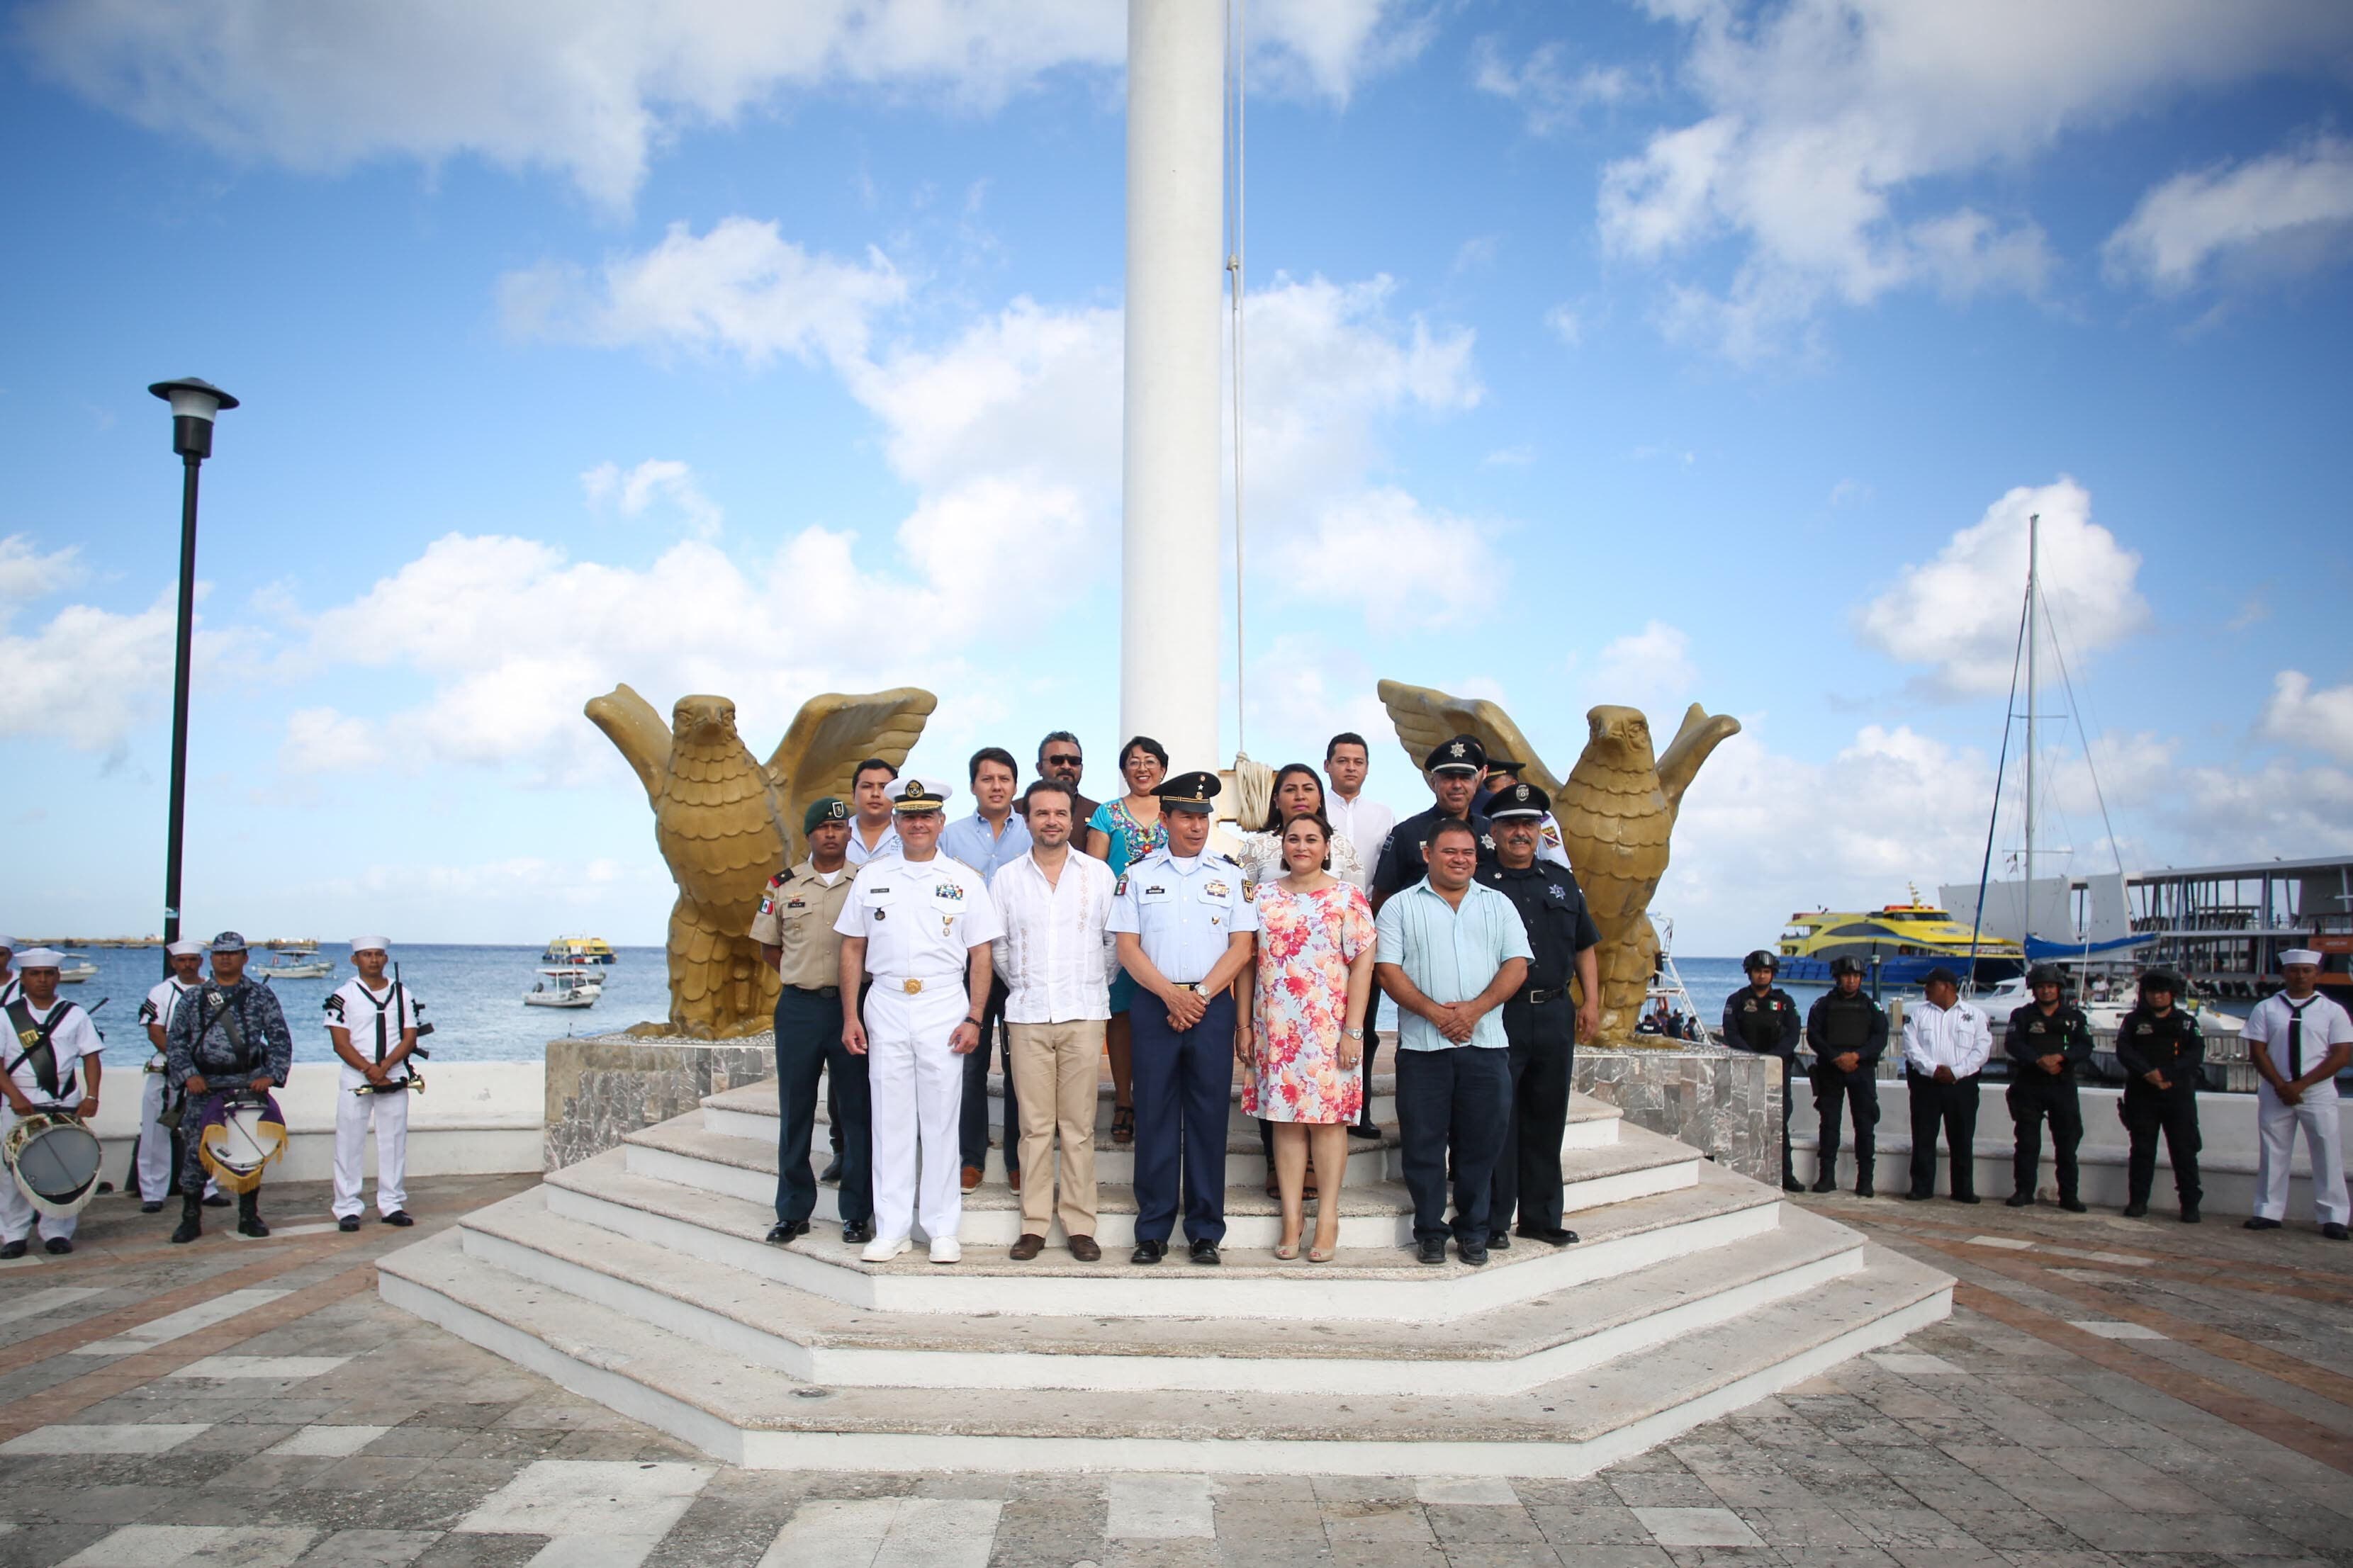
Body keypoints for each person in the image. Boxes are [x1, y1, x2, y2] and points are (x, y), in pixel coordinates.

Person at [837, 778, 1001, 1264]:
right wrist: (850, 1013)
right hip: (885, 1001)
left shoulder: (965, 879)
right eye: (908, 816)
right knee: (890, 1119)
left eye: (927, 815)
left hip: (943, 1002)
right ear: (896, 821)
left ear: (940, 822)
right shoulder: (871, 877)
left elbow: (981, 954)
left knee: (941, 1119)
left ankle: (942, 1226)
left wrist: (975, 1015)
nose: (918, 824)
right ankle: (891, 1228)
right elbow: (851, 946)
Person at [1110, 770, 1258, 1265]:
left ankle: (1204, 1230)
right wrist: (1173, 997)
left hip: (1210, 1006)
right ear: (1167, 819)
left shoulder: (1231, 874)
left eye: (1203, 817)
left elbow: (1243, 946)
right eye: (1187, 816)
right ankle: (1151, 1229)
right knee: (1153, 1115)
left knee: (1207, 1118)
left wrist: (1198, 995)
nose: (1196, 825)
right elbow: (1127, 948)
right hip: (1155, 1005)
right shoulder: (1139, 874)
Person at [1375, 818, 1531, 1266]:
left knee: (1482, 1143)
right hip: (1424, 1049)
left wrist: (1473, 1011)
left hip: (1486, 1045)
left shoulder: (1498, 905)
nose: (1460, 860)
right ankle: (1428, 1230)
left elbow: (1517, 965)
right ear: (1428, 854)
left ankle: (1473, 1230)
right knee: (1423, 1144)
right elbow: (1388, 971)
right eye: (1450, 852)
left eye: (1467, 853)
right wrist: (1438, 1015)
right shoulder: (1401, 907)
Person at [989, 779, 1117, 1262]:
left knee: (1079, 1126)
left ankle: (1081, 1224)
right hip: (1026, 1015)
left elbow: (1112, 945)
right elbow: (999, 947)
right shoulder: (1006, 878)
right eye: (1042, 813)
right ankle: (1036, 1224)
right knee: (1035, 1125)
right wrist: (1026, 983)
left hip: (1083, 1012)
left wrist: (1087, 985)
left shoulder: (1098, 875)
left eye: (1060, 813)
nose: (1052, 821)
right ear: (1028, 819)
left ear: (1072, 818)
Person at [1245, 813, 1376, 1261]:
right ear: (1282, 845)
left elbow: (1363, 963)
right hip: (1276, 1027)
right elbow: (1245, 963)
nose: (1302, 846)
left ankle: (1329, 1218)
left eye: (1311, 839)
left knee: (1327, 1122)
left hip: (1328, 1028)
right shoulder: (1261, 896)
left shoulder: (1347, 897)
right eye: (1293, 838)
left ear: (1327, 846)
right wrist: (1244, 1025)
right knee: (1284, 1121)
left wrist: (1353, 1030)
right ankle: (1292, 1217)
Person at [1477, 782, 1600, 1248]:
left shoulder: (1561, 881)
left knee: (1547, 1118)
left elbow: (1584, 943)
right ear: (1495, 829)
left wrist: (1590, 1001)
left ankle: (1541, 1218)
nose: (1521, 832)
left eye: (1529, 824)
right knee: (1498, 1119)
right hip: (1500, 1014)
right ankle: (1492, 1221)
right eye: (1511, 823)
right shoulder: (1480, 883)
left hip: (1553, 1012)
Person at [749, 797, 871, 1246]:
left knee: (857, 1112)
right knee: (796, 1110)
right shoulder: (783, 885)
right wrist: (802, 978)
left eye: (839, 827)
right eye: (822, 827)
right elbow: (769, 947)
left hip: (852, 1008)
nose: (832, 834)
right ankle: (793, 1211)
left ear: (849, 834)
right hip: (800, 1008)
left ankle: (856, 1213)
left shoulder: (868, 882)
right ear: (809, 835)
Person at [943, 746, 1033, 1194]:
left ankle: (1019, 1159)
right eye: (986, 779)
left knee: (1021, 1066)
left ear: (1015, 785)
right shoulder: (950, 836)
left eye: (1004, 779)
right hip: (966, 964)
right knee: (969, 1062)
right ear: (974, 785)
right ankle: (970, 1157)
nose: (996, 787)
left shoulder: (1034, 830)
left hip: (1020, 964)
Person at [164, 932, 293, 1243]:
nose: (226, 958)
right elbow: (176, 1041)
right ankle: (190, 1218)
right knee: (196, 1154)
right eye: (220, 953)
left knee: (250, 1151)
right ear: (211, 959)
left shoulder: (261, 996)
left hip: (248, 1085)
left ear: (244, 957)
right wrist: (187, 1075)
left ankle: (249, 1216)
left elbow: (279, 1039)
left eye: (233, 953)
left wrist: (271, 1076)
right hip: (204, 1088)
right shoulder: (194, 998)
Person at [1086, 735, 1171, 1151]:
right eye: (1133, 762)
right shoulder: (1106, 814)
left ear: (1163, 769)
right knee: (1119, 1015)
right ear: (1123, 770)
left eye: (1150, 761)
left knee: (1159, 1010)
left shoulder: (1175, 811)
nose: (1142, 768)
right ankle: (1124, 1099)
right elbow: (1094, 873)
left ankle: (1157, 1099)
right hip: (1119, 927)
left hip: (1168, 928)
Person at [1, 948, 105, 1257]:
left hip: (65, 1102)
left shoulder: (75, 1014)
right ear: (23, 977)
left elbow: (91, 1057)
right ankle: (14, 1233)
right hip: (19, 1103)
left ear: (58, 976)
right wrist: (15, 1096)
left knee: (65, 1168)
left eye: (49, 973)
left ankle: (56, 1232)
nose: (42, 980)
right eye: (35, 974)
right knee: (13, 1169)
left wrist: (92, 1095)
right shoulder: (7, 1016)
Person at [2242, 949, 2348, 1239]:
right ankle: (2268, 1211)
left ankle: (2334, 1216)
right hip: (2276, 1089)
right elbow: (2257, 1051)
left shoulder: (2332, 1011)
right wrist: (2281, 1084)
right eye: (2293, 970)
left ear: (2317, 974)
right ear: (2284, 973)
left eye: (2306, 970)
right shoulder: (2266, 1008)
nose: (2299, 976)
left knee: (2327, 1150)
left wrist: (2301, 1085)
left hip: (2318, 1091)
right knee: (2273, 1151)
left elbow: (2341, 1055)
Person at [324, 938, 423, 1231]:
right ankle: (346, 1207)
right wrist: (368, 1068)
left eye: (379, 955)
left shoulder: (401, 993)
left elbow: (409, 1036)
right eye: (367, 955)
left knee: (393, 1140)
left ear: (385, 958)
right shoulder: (343, 996)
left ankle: (392, 1203)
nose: (374, 960)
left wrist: (386, 1066)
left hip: (393, 1074)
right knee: (349, 1140)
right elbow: (340, 1042)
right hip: (358, 1076)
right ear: (355, 960)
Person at [1324, 735, 1395, 1142]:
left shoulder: (1383, 815)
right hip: (1316, 927)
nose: (1351, 767)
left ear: (1367, 767)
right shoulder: (1315, 809)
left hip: (1366, 924)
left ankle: (1359, 1109)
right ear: (1328, 764)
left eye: (1358, 761)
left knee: (1363, 1023)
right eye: (1343, 760)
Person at [2115, 966, 2204, 1222]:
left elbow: (2195, 1055)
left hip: (2178, 1096)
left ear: (2172, 994)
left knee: (2184, 1151)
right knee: (2142, 1151)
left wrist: (2166, 1075)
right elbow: (2124, 1051)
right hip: (2142, 1094)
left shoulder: (2187, 1023)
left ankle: (2189, 1204)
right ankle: (2138, 1201)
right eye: (2153, 992)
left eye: (2163, 992)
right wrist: (2148, 1074)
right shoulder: (2133, 1022)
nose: (2158, 997)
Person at [2003, 964, 2094, 1212]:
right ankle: (2023, 1191)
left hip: (2062, 1085)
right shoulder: (2021, 1016)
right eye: (2041, 987)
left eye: (2050, 987)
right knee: (2026, 1143)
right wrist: (2037, 1060)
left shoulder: (2075, 1018)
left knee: (2067, 1144)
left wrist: (2062, 1059)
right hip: (2029, 1084)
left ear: (2059, 989)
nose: (2046, 991)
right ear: (2034, 990)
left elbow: (2085, 1046)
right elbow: (2013, 1043)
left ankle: (2069, 1196)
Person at [1370, 735, 1498, 911]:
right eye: (1449, 778)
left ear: (1475, 783)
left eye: (1465, 778)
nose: (1457, 785)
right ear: (1433, 783)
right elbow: (1382, 900)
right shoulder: (1407, 833)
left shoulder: (1491, 831)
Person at [1900, 966, 1992, 1204]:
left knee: (1962, 1138)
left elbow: (1981, 1051)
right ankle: (1921, 1187)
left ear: (1947, 987)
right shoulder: (1918, 1014)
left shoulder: (1975, 1015)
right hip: (1926, 1084)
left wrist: (1956, 1072)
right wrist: (1933, 1070)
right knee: (1924, 1137)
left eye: (1930, 985)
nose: (1926, 989)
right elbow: (1911, 1047)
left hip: (1962, 1085)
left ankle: (1963, 1190)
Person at [135, 940, 208, 1212]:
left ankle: (208, 1187)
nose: (187, 964)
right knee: (156, 1131)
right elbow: (156, 1032)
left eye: (192, 959)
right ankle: (153, 1191)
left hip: (207, 1072)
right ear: (173, 963)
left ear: (200, 961)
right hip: (168, 1070)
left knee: (208, 1131)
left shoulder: (213, 989)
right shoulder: (161, 992)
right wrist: (184, 1063)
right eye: (182, 960)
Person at [1804, 957, 1887, 1197]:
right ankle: (1826, 1177)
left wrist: (1857, 1056)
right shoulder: (1823, 1005)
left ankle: (1865, 1180)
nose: (1851, 981)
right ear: (1838, 978)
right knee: (1829, 1125)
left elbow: (1880, 1038)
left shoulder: (1872, 1007)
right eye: (1847, 976)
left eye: (1856, 976)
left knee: (1865, 1125)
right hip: (1831, 1070)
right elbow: (1814, 1036)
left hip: (1861, 1071)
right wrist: (1836, 1057)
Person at [1724, 951, 1806, 1192]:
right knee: (1741, 1123)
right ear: (1750, 973)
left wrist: (1772, 1058)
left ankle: (1785, 1174)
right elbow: (1731, 1033)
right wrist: (1753, 1058)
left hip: (1777, 1071)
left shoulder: (1785, 1002)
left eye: (1767, 971)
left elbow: (1793, 1034)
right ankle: (1741, 1173)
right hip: (1746, 1069)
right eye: (1758, 971)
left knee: (1779, 1125)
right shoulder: (1737, 1000)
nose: (1762, 975)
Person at [1232, 763, 1365, 891]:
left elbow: (1355, 901)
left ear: (1320, 798)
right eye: (1290, 790)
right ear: (1276, 799)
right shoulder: (1256, 846)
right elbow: (1241, 901)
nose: (1300, 796)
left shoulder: (1342, 846)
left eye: (1308, 789)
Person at [1475, 759, 1572, 871]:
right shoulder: (1484, 818)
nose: (1486, 793)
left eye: (1490, 787)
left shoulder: (1542, 819)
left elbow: (1557, 863)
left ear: (1513, 785)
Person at [1024, 732, 1100, 840]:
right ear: (1039, 767)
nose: (1066, 766)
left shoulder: (1098, 814)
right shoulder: (1015, 812)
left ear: (1081, 767)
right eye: (1057, 760)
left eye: (1074, 761)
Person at [846, 757, 904, 867]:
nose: (875, 794)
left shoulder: (910, 833)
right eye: (867, 786)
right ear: (853, 796)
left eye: (883, 787)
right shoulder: (836, 833)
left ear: (896, 796)